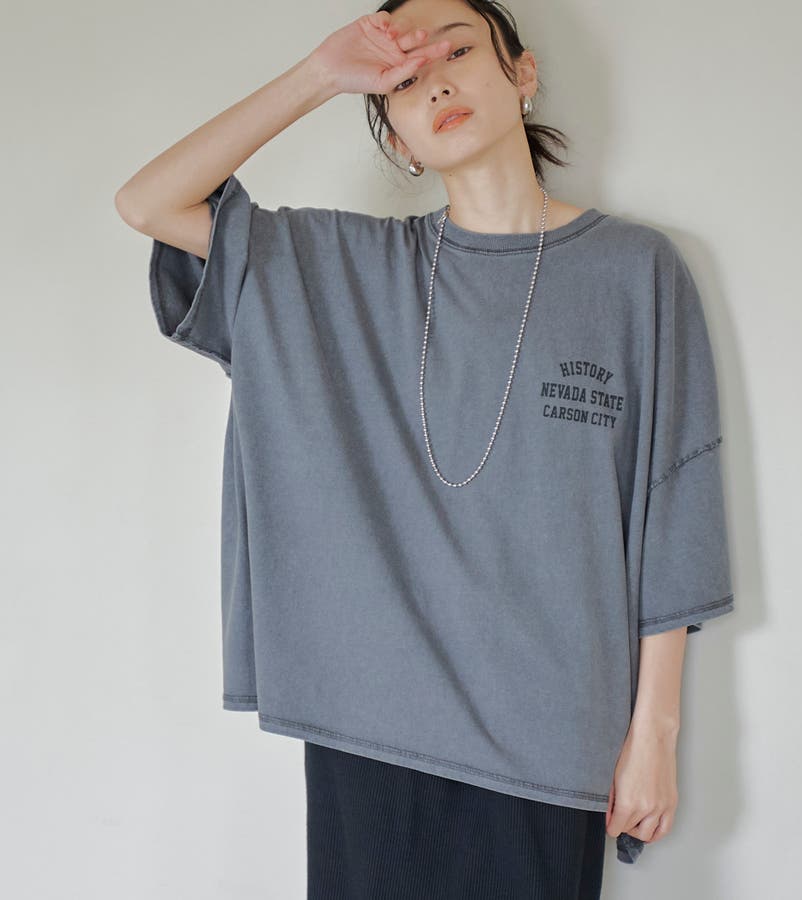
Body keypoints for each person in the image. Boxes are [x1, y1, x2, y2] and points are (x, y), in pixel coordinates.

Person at [116, 0, 735, 897]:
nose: (437, 82)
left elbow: (673, 511)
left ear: (523, 74)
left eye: (459, 51)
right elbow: (147, 202)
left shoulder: (635, 271)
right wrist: (320, 75)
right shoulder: (339, 267)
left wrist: (656, 734)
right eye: (404, 81)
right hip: (374, 724)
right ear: (397, 140)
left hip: (551, 731)